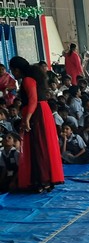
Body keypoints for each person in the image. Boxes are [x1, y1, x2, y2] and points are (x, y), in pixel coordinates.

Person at [9, 56, 64, 193]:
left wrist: (27, 119)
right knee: (42, 145)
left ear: (17, 70)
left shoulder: (27, 80)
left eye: (13, 71)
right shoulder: (33, 78)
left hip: (37, 114)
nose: (13, 74)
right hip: (40, 111)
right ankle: (45, 179)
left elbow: (33, 100)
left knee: (38, 146)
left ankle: (42, 180)